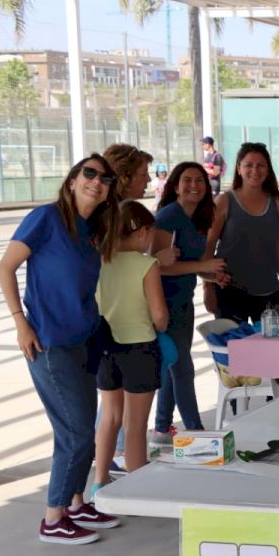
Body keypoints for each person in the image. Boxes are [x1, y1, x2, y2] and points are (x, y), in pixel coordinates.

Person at [0, 155, 121, 544]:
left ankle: (76, 502)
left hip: (84, 340)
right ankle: (54, 517)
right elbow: (5, 267)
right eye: (89, 173)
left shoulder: (92, 229)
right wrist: (20, 322)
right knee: (77, 431)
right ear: (72, 180)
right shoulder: (46, 218)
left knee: (77, 428)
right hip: (49, 342)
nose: (96, 182)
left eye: (105, 178)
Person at [92, 201, 169, 496]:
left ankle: (100, 481)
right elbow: (159, 315)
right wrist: (161, 326)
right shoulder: (146, 265)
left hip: (105, 347)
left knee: (110, 417)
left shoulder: (100, 262)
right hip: (139, 349)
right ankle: (137, 489)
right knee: (135, 424)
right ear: (142, 232)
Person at [151, 162, 228, 440]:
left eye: (199, 180)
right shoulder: (168, 216)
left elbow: (188, 264)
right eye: (187, 180)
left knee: (174, 367)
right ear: (175, 186)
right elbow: (159, 267)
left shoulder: (198, 217)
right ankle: (196, 432)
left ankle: (162, 427)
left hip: (183, 302)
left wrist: (211, 274)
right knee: (183, 369)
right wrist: (203, 266)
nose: (194, 185)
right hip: (165, 304)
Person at [205, 142, 279, 323]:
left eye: (261, 165)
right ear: (239, 169)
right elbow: (208, 249)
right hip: (230, 291)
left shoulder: (277, 203)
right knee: (236, 341)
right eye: (248, 165)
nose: (255, 171)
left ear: (268, 169)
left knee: (274, 341)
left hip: (269, 291)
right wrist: (208, 288)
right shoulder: (224, 201)